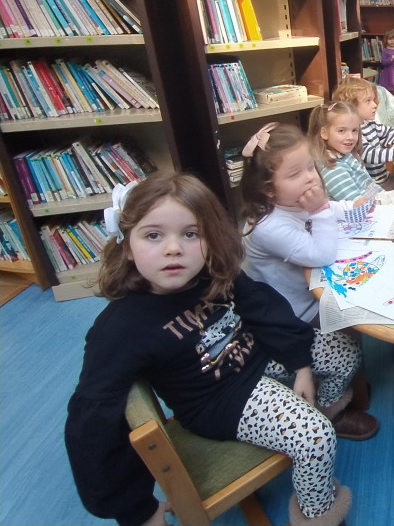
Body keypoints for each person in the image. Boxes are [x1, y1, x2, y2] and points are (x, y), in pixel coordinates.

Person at [64, 172, 364, 526]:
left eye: (190, 234)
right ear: (127, 246)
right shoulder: (119, 329)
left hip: (257, 360)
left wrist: (300, 365)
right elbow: (93, 422)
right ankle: (319, 515)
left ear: (209, 239)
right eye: (153, 235)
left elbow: (263, 309)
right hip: (220, 401)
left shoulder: (211, 272)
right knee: (315, 439)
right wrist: (137, 510)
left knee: (346, 351)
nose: (173, 248)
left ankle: (324, 409)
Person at [240, 121, 370, 323]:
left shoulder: (293, 200)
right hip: (297, 312)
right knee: (364, 322)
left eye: (311, 167)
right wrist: (319, 211)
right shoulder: (267, 227)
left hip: (317, 289)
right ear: (268, 189)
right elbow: (322, 255)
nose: (310, 177)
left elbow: (331, 208)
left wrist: (353, 208)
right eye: (295, 174)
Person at [332, 78, 394, 187]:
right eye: (368, 101)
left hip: (384, 178)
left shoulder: (370, 124)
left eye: (373, 100)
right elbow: (370, 154)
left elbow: (391, 133)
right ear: (351, 106)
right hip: (374, 185)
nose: (375, 104)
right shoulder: (353, 133)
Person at [309, 101, 379, 202]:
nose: (350, 137)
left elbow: (373, 189)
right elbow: (355, 206)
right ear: (324, 133)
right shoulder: (332, 170)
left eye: (354, 130)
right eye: (342, 131)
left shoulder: (347, 156)